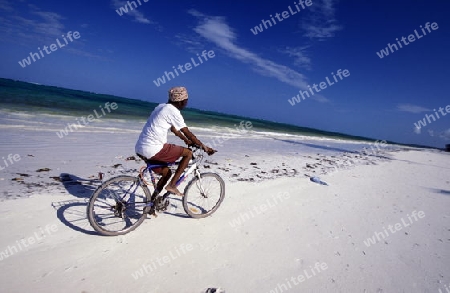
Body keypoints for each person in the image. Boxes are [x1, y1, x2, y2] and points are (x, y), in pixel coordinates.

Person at [135, 86, 215, 198]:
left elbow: (173, 129)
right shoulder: (173, 111)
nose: (187, 103)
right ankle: (172, 185)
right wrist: (205, 147)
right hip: (154, 149)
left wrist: (186, 141)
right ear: (181, 101)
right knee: (188, 153)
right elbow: (187, 132)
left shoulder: (161, 107)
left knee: (166, 173)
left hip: (140, 148)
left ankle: (152, 204)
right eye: (186, 100)